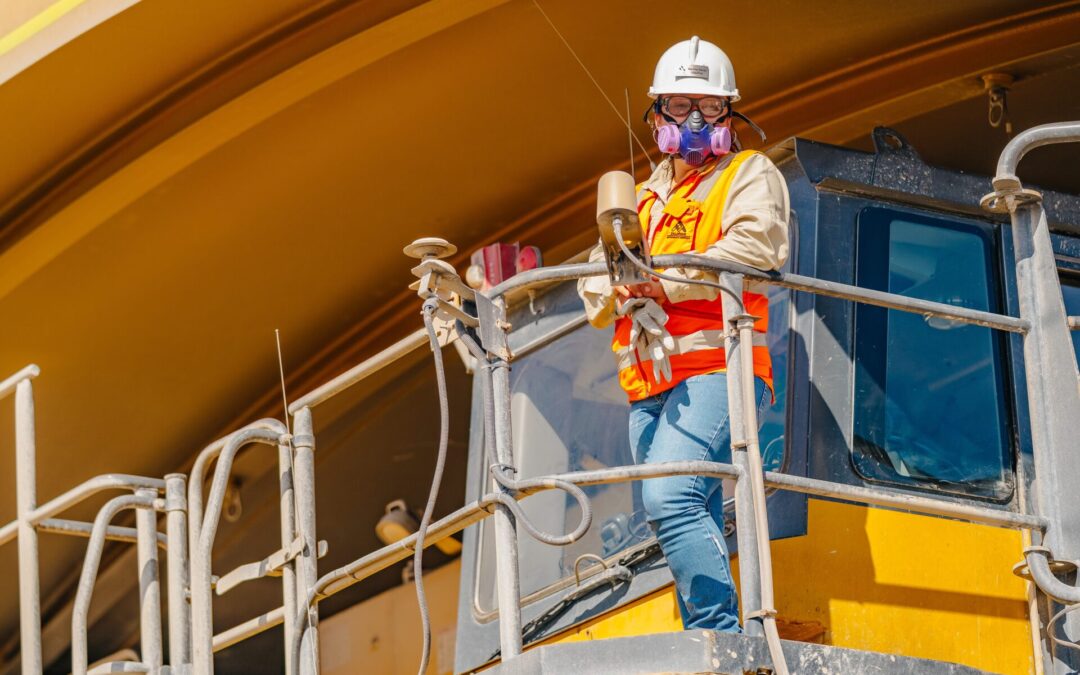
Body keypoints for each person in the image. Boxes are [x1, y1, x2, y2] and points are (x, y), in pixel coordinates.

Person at [577, 36, 790, 632]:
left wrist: (663, 280)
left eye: (710, 107)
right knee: (676, 507)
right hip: (650, 387)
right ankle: (709, 636)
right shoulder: (640, 203)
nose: (695, 120)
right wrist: (619, 284)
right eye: (679, 106)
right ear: (657, 116)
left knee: (670, 496)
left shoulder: (748, 173)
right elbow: (592, 287)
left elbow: (757, 246)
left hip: (720, 369)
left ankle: (720, 636)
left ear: (728, 113)